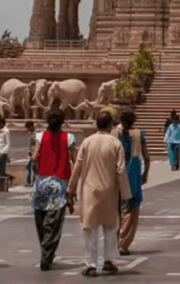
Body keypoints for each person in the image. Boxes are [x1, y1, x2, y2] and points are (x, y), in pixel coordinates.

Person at [68, 112, 132, 278]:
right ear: (110, 126)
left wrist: (71, 190)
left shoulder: (87, 142)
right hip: (109, 191)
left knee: (90, 228)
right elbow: (121, 171)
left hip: (89, 190)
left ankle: (90, 265)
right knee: (110, 227)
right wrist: (126, 194)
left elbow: (77, 168)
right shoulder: (115, 143)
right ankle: (109, 261)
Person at [31, 111, 76, 271]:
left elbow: (34, 157)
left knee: (41, 221)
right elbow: (74, 161)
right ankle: (46, 253)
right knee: (54, 224)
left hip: (41, 182)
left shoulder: (40, 136)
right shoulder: (69, 138)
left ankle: (45, 250)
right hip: (59, 184)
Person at [114, 111, 150, 257]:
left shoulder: (113, 134)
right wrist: (145, 174)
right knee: (131, 210)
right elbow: (147, 157)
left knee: (117, 209)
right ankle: (123, 243)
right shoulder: (139, 134)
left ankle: (115, 242)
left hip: (117, 173)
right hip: (133, 173)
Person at [24, 121, 38, 186]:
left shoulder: (36, 134)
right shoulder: (30, 134)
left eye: (28, 127)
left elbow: (36, 144)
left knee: (34, 167)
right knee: (28, 166)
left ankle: (33, 181)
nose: (27, 129)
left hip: (34, 152)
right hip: (30, 152)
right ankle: (29, 181)